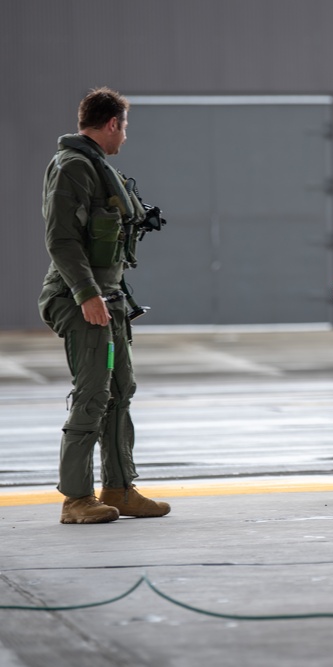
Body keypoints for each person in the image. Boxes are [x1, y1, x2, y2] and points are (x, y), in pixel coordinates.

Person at [38, 87, 170, 524]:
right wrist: (86, 295)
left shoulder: (95, 167)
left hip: (109, 297)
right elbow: (60, 239)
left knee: (120, 391)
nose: (125, 136)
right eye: (124, 127)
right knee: (93, 393)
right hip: (82, 298)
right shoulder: (73, 167)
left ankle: (119, 487)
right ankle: (76, 499)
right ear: (112, 123)